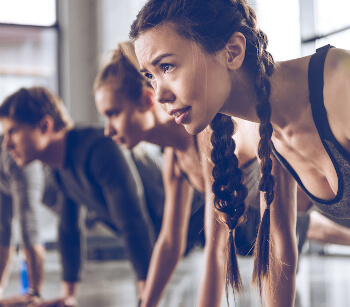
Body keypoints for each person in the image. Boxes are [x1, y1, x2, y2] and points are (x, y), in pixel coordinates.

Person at [130, 0, 350, 305]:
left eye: (167, 66)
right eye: (151, 76)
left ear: (232, 51)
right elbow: (279, 250)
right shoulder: (251, 131)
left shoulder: (341, 87)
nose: (160, 95)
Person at [94, 41, 228, 307]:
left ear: (146, 100)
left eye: (113, 114)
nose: (108, 131)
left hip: (289, 207)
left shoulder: (206, 138)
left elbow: (218, 248)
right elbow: (169, 243)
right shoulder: (173, 158)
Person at [0, 86, 159, 307]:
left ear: (45, 125)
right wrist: (67, 298)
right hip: (164, 241)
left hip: (194, 223)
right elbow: (70, 231)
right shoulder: (58, 169)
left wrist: (147, 302)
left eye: (13, 131)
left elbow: (134, 225)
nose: (6, 144)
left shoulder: (98, 149)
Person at [0, 138, 45, 305]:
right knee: (3, 228)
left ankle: (35, 293)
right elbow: (3, 230)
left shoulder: (13, 156)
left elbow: (29, 226)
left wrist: (35, 295)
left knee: (28, 225)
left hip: (64, 194)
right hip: (7, 178)